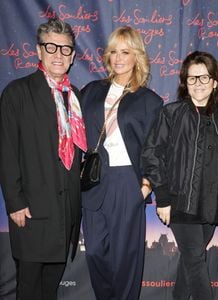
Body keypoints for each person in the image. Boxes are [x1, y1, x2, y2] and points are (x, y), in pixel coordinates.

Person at [0, 18, 86, 300]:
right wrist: (15, 202)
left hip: (66, 211)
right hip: (32, 211)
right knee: (29, 288)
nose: (59, 55)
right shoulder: (18, 93)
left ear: (73, 55)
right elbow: (7, 150)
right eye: (51, 47)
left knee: (51, 289)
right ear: (38, 51)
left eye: (65, 49)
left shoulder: (74, 96)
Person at [141, 51, 218, 300]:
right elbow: (151, 154)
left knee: (191, 261)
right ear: (185, 82)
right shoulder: (171, 113)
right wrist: (162, 197)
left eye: (204, 77)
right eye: (192, 79)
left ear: (215, 81)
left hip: (212, 203)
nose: (198, 84)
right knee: (195, 262)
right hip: (179, 203)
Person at [81, 26, 163, 300]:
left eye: (125, 52)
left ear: (137, 56)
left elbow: (158, 148)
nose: (118, 58)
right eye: (113, 51)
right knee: (93, 252)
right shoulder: (91, 91)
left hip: (128, 182)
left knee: (125, 259)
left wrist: (146, 185)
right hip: (94, 182)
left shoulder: (149, 100)